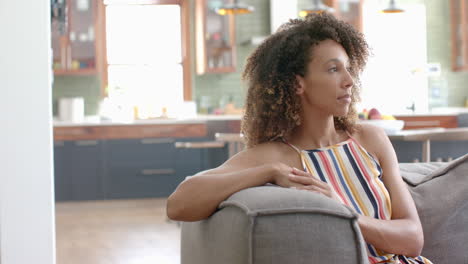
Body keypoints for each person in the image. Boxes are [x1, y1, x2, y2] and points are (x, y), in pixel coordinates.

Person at [167, 13, 432, 264]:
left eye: (348, 69)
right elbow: (179, 205)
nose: (349, 80)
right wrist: (268, 171)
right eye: (333, 69)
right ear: (297, 84)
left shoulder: (371, 139)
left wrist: (343, 213)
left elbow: (413, 239)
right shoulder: (275, 156)